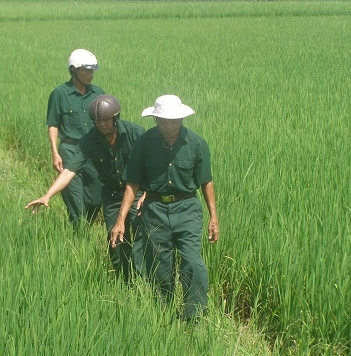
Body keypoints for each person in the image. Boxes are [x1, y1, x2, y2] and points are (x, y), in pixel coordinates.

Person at [110, 94, 219, 321]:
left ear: (181, 119)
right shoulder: (145, 143)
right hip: (154, 210)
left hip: (187, 208)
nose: (170, 126)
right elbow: (133, 182)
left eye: (174, 121)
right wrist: (120, 219)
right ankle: (165, 314)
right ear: (155, 120)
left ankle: (194, 316)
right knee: (160, 265)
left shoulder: (196, 143)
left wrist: (213, 217)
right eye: (164, 121)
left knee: (192, 261)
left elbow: (206, 181)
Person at [27, 95, 146, 282]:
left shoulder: (135, 133)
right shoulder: (89, 140)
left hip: (138, 193)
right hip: (113, 196)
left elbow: (151, 165)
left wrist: (147, 193)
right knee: (115, 241)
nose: (102, 124)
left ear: (116, 118)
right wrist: (47, 195)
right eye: (98, 121)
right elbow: (70, 170)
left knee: (141, 239)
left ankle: (144, 283)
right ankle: (126, 284)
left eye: (106, 120)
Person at [46, 49, 104, 228]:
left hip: (94, 152)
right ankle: (80, 238)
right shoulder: (60, 94)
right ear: (73, 70)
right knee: (76, 206)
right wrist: (55, 153)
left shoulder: (98, 92)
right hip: (70, 151)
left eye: (92, 70)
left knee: (96, 199)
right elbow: (53, 124)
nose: (90, 75)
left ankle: (84, 227)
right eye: (86, 70)